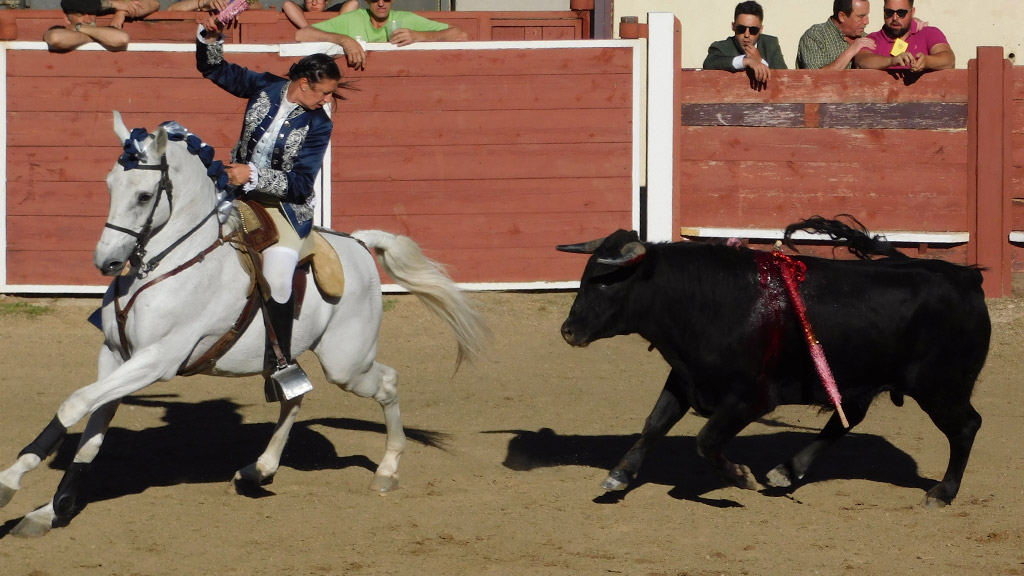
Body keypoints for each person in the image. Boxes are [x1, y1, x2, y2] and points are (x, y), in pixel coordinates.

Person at [196, 15, 342, 398]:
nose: (327, 100)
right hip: (235, 189)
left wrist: (254, 177)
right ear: (303, 83)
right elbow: (213, 69)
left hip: (285, 208)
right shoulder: (265, 87)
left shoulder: (319, 125)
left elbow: (299, 185)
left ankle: (280, 363)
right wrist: (212, 37)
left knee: (278, 274)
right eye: (323, 92)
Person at [295, 0, 468, 70]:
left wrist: (418, 36)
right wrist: (344, 40)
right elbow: (302, 34)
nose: (380, 3)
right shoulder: (353, 18)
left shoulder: (405, 19)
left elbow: (460, 35)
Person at [853, 0, 954, 72]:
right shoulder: (873, 39)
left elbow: (949, 60)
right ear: (883, 11)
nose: (895, 18)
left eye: (901, 13)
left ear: (912, 12)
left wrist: (927, 61)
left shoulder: (929, 33)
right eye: (889, 12)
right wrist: (891, 61)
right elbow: (861, 61)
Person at [702, 1, 786, 87]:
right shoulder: (721, 47)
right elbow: (709, 63)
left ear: (761, 29)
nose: (747, 35)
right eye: (741, 29)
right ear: (733, 26)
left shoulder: (770, 44)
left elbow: (785, 77)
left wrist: (760, 61)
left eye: (753, 30)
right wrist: (746, 61)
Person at [43, 0, 159, 52]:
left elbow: (122, 38)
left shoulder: (79, 27)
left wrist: (80, 28)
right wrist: (96, 36)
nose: (88, 20)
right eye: (80, 15)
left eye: (92, 14)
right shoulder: (62, 29)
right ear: (66, 18)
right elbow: (55, 38)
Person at [795, 0, 875, 69]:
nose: (867, 22)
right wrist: (852, 50)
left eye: (867, 15)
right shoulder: (816, 36)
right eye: (861, 16)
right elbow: (817, 78)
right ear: (842, 16)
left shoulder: (867, 38)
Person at [283, 0, 358, 30]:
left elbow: (354, 3)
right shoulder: (299, 10)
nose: (314, 3)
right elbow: (287, 5)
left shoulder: (333, 11)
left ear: (326, 1)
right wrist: (309, 30)